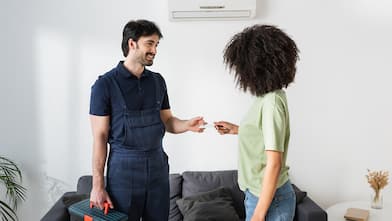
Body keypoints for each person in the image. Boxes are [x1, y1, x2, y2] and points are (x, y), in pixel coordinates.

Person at [89, 19, 205, 221]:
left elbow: (167, 121)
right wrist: (97, 186)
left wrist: (186, 125)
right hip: (123, 172)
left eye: (156, 44)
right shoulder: (104, 85)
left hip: (157, 168)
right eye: (150, 43)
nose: (155, 50)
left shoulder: (157, 81)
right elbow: (99, 137)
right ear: (132, 44)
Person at [214, 25, 299, 221]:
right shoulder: (268, 98)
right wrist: (237, 129)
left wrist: (259, 214)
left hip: (269, 199)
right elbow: (264, 135)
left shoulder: (271, 103)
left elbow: (274, 163)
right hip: (258, 194)